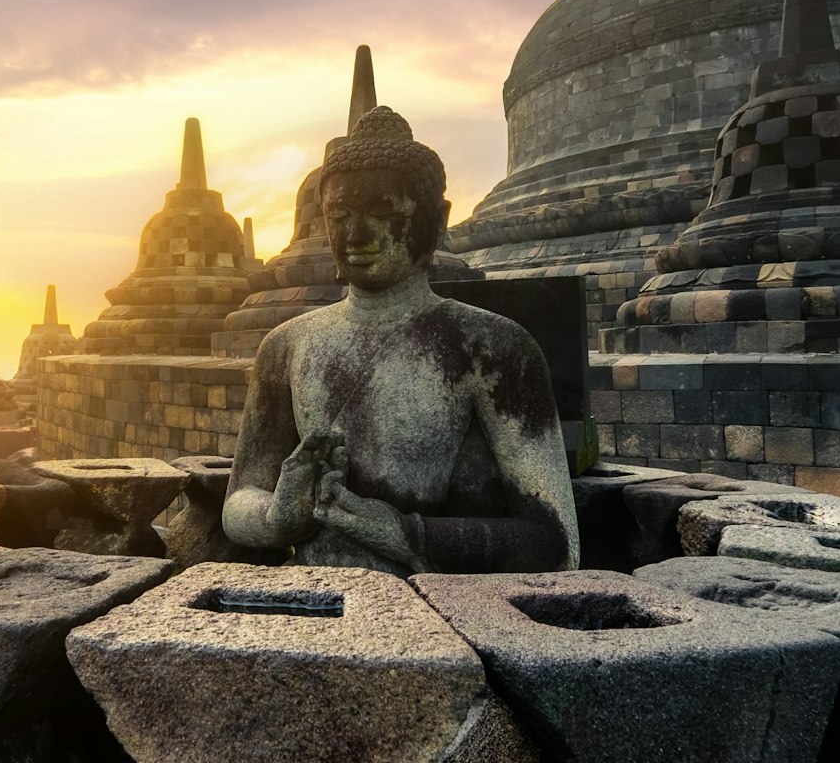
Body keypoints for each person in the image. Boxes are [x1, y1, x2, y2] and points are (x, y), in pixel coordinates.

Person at [222, 106, 578, 574]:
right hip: (311, 603)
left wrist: (410, 534)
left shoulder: (491, 348)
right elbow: (238, 501)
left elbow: (557, 542)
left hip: (438, 615)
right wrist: (276, 518)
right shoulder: (286, 346)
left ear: (437, 219)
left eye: (383, 212)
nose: (355, 234)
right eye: (339, 215)